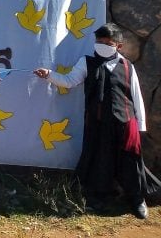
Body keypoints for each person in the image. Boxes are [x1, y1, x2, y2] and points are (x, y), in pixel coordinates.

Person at [34, 24, 158, 219]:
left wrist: (140, 125)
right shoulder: (87, 62)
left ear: (118, 46)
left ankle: (136, 199)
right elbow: (69, 81)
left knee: (131, 161)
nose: (102, 45)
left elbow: (136, 95)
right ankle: (100, 197)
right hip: (98, 122)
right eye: (99, 41)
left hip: (126, 122)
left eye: (108, 43)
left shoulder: (127, 66)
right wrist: (49, 75)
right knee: (101, 159)